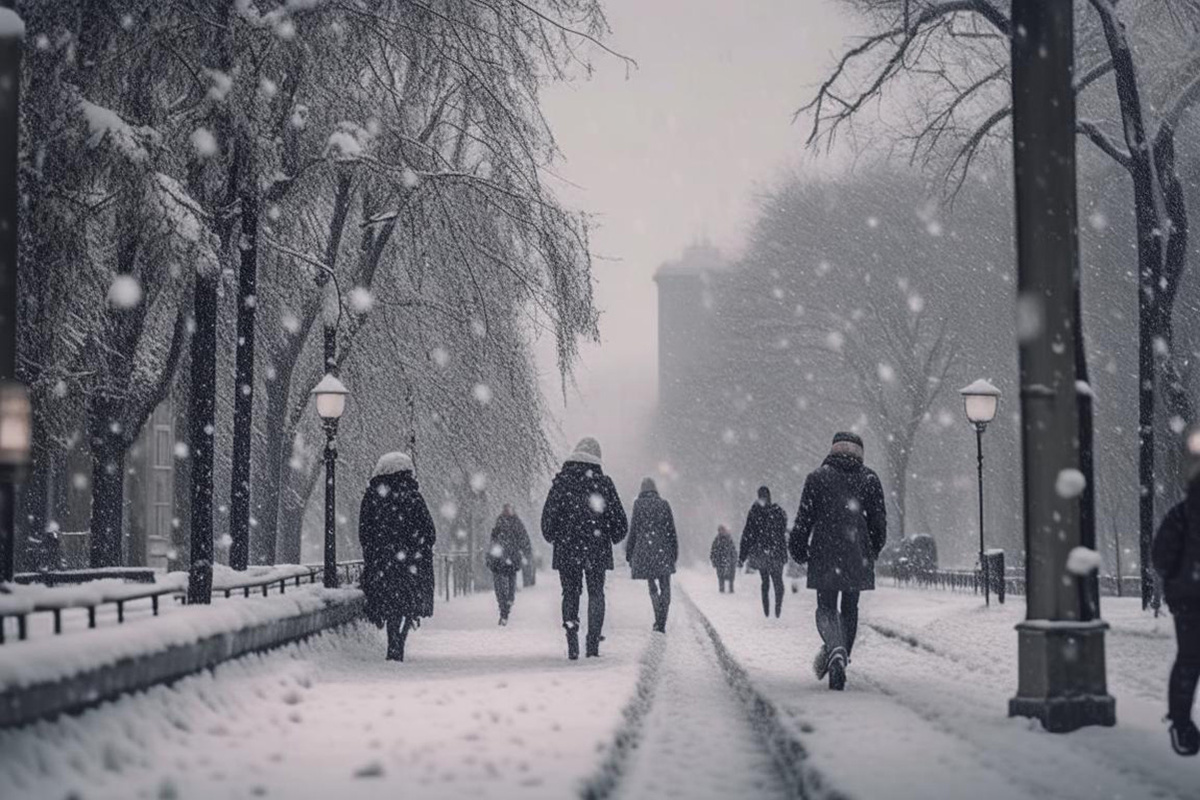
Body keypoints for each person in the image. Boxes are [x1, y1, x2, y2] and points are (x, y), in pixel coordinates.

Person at [790, 432, 887, 691]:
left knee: (826, 606)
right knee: (850, 608)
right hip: (857, 551)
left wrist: (799, 548)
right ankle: (840, 655)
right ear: (860, 452)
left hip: (825, 550)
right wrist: (873, 549)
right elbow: (879, 522)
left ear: (833, 450)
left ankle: (835, 649)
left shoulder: (817, 478)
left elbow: (803, 519)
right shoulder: (869, 479)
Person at [541, 437, 628, 659]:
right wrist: (609, 533)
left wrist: (557, 536)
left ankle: (572, 641)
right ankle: (592, 644)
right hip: (596, 548)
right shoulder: (604, 483)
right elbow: (620, 524)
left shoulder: (561, 483)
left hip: (567, 548)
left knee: (570, 592)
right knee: (596, 593)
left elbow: (547, 523)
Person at [357, 452, 436, 662]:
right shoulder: (412, 496)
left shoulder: (373, 495)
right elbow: (429, 532)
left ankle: (393, 641)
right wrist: (415, 547)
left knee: (389, 603)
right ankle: (399, 640)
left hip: (383, 563)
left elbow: (364, 532)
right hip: (410, 564)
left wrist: (377, 550)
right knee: (407, 604)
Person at [1152, 441, 1200, 756]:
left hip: (1190, 599)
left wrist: (1176, 583)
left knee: (1189, 660)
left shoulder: (1182, 514)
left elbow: (1161, 556)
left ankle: (1181, 723)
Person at [626, 477, 679, 633]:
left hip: (645, 551)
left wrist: (629, 553)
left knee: (652, 586)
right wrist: (674, 552)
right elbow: (672, 532)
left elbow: (634, 531)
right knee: (665, 586)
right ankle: (662, 619)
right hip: (663, 550)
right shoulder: (664, 504)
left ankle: (658, 618)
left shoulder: (638, 505)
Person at [739, 486, 789, 618]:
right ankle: (775, 611)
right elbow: (782, 529)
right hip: (775, 552)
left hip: (763, 552)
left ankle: (768, 611)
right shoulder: (777, 512)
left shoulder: (756, 512)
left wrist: (742, 557)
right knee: (777, 582)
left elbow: (747, 535)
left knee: (766, 581)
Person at [487, 504, 532, 626]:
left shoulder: (512, 523)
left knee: (507, 584)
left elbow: (523, 539)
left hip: (508, 558)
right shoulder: (503, 522)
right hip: (503, 558)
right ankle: (505, 607)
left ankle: (506, 605)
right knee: (502, 585)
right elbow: (494, 539)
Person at [710, 524, 738, 593]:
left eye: (722, 530)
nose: (721, 532)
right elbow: (713, 551)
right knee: (720, 576)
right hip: (720, 561)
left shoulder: (729, 539)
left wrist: (734, 559)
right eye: (720, 530)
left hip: (729, 560)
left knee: (731, 576)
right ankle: (721, 590)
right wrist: (714, 561)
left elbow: (733, 550)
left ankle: (731, 589)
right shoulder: (717, 540)